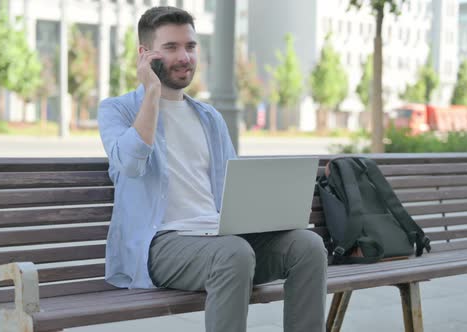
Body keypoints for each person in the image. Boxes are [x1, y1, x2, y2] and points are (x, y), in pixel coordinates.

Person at [98, 6, 327, 332]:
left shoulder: (209, 118)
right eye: (171, 47)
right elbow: (130, 163)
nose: (185, 57)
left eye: (190, 47)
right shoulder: (116, 110)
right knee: (232, 254)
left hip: (219, 237)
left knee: (307, 247)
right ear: (145, 54)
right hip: (161, 244)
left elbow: (234, 189)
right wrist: (151, 92)